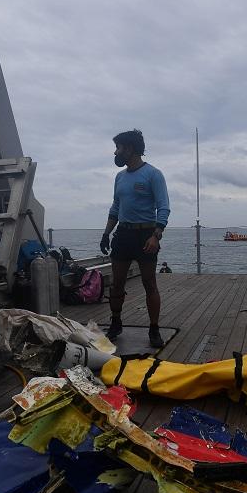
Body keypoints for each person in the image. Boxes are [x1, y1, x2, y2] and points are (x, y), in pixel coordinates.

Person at [100, 129, 170, 347]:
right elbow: (116, 207)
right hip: (123, 234)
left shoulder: (153, 174)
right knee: (117, 283)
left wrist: (156, 235)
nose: (116, 152)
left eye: (119, 147)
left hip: (146, 234)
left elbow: (164, 207)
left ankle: (154, 329)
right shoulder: (120, 177)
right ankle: (116, 323)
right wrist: (106, 233)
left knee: (149, 283)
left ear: (130, 148)